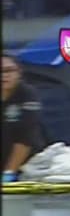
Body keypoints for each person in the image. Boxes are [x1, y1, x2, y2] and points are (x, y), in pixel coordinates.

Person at [2, 53, 45, 181]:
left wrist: (9, 173)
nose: (4, 76)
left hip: (26, 167)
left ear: (19, 73)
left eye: (9, 70)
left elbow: (25, 139)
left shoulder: (27, 95)